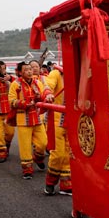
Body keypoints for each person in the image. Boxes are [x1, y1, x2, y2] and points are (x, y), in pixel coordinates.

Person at [8, 61, 53, 180]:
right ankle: (27, 169)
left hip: (37, 118)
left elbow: (43, 96)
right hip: (23, 119)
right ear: (20, 72)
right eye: (26, 70)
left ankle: (38, 157)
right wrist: (24, 103)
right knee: (25, 146)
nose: (29, 71)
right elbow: (11, 101)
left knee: (43, 143)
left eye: (30, 69)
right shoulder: (15, 84)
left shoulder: (37, 82)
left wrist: (41, 97)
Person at [44, 64, 71, 195]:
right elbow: (47, 85)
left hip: (73, 119)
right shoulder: (56, 73)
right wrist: (48, 94)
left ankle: (66, 184)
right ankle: (50, 182)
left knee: (69, 154)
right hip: (56, 118)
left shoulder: (80, 73)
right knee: (58, 153)